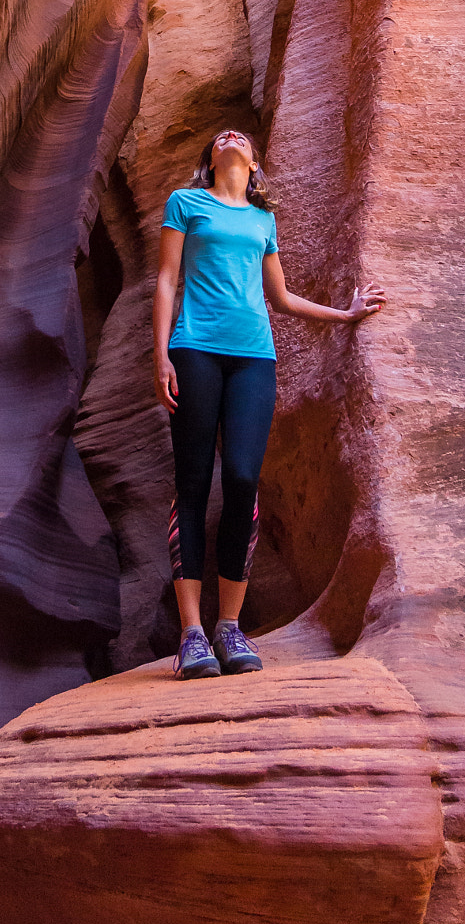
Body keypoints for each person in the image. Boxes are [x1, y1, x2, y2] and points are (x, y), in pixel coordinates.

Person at [152, 128, 385, 679]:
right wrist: (159, 356)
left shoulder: (263, 221)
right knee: (191, 482)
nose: (229, 136)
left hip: (254, 357)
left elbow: (279, 297)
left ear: (254, 163)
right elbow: (166, 280)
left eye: (241, 137)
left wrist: (345, 314)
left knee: (240, 479)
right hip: (194, 350)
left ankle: (229, 629)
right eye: (219, 137)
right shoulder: (186, 203)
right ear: (210, 160)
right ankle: (191, 635)